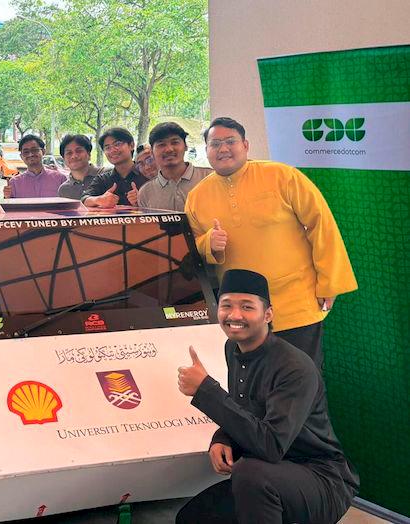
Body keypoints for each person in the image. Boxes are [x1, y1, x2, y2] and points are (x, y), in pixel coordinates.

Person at [175, 269, 358, 524]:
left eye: (247, 307)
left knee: (250, 474)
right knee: (192, 518)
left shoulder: (294, 367)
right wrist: (222, 438)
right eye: (226, 305)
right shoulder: (233, 348)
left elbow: (271, 445)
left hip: (321, 478)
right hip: (272, 473)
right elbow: (245, 408)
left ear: (268, 314)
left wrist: (206, 389)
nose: (235, 315)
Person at [184, 117, 357, 368]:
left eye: (230, 141)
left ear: (245, 145)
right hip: (240, 315)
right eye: (215, 143)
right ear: (207, 151)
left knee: (302, 384)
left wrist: (330, 283)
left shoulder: (282, 176)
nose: (223, 149)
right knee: (251, 390)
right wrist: (208, 244)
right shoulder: (197, 196)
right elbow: (191, 247)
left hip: (295, 304)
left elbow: (322, 225)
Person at [136, 122, 212, 211]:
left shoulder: (209, 178)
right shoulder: (145, 193)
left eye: (175, 142)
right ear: (152, 152)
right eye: (161, 145)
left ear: (186, 146)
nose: (169, 149)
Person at [81, 127, 147, 207]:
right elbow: (84, 199)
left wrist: (142, 200)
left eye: (117, 144)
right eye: (107, 147)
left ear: (131, 145)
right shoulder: (102, 179)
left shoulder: (146, 173)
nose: (112, 150)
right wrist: (99, 200)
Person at [57, 134, 104, 200]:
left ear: (89, 154)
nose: (74, 156)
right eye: (69, 153)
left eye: (79, 151)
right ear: (64, 159)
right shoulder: (64, 190)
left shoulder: (106, 175)